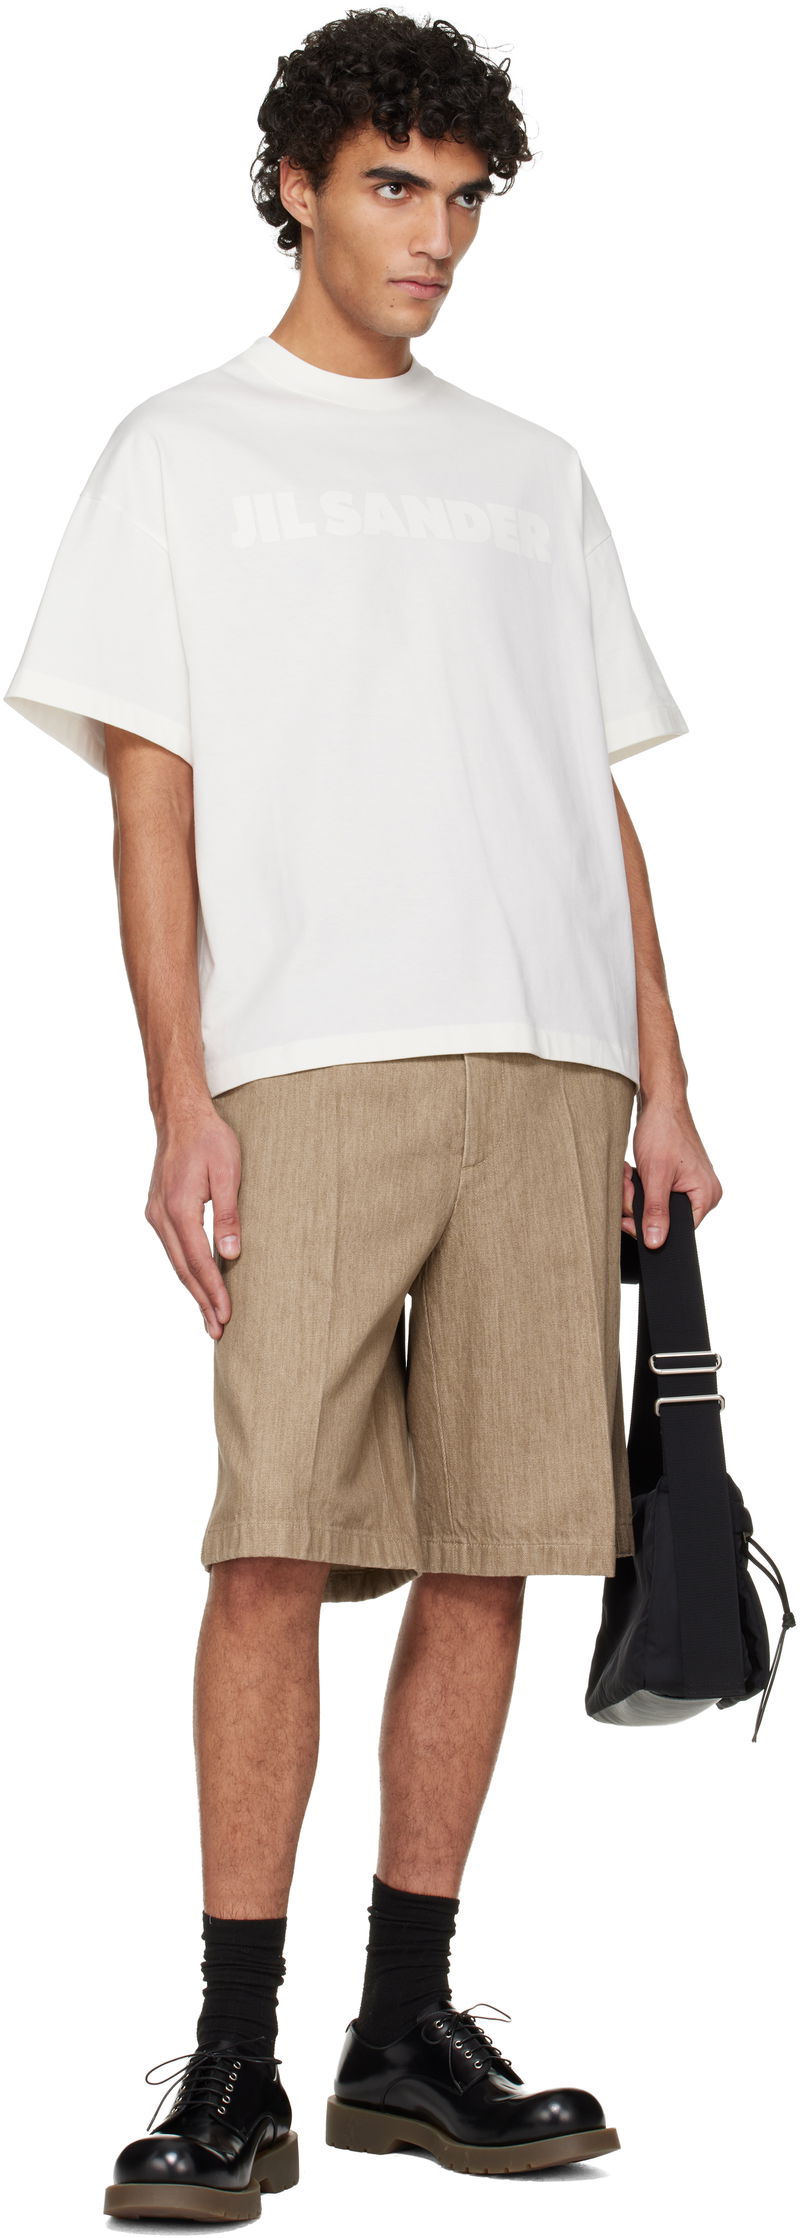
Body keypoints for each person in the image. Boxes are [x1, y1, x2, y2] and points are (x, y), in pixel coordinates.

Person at [4, 8, 722, 2218]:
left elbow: (588, 794)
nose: (438, 235)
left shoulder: (532, 470)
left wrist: (664, 1076)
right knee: (275, 1541)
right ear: (296, 186)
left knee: (497, 1541)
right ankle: (232, 2058)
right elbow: (150, 800)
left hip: (549, 1067)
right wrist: (176, 1093)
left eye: (466, 196)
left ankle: (403, 2030)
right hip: (306, 1060)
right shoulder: (178, 449)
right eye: (395, 185)